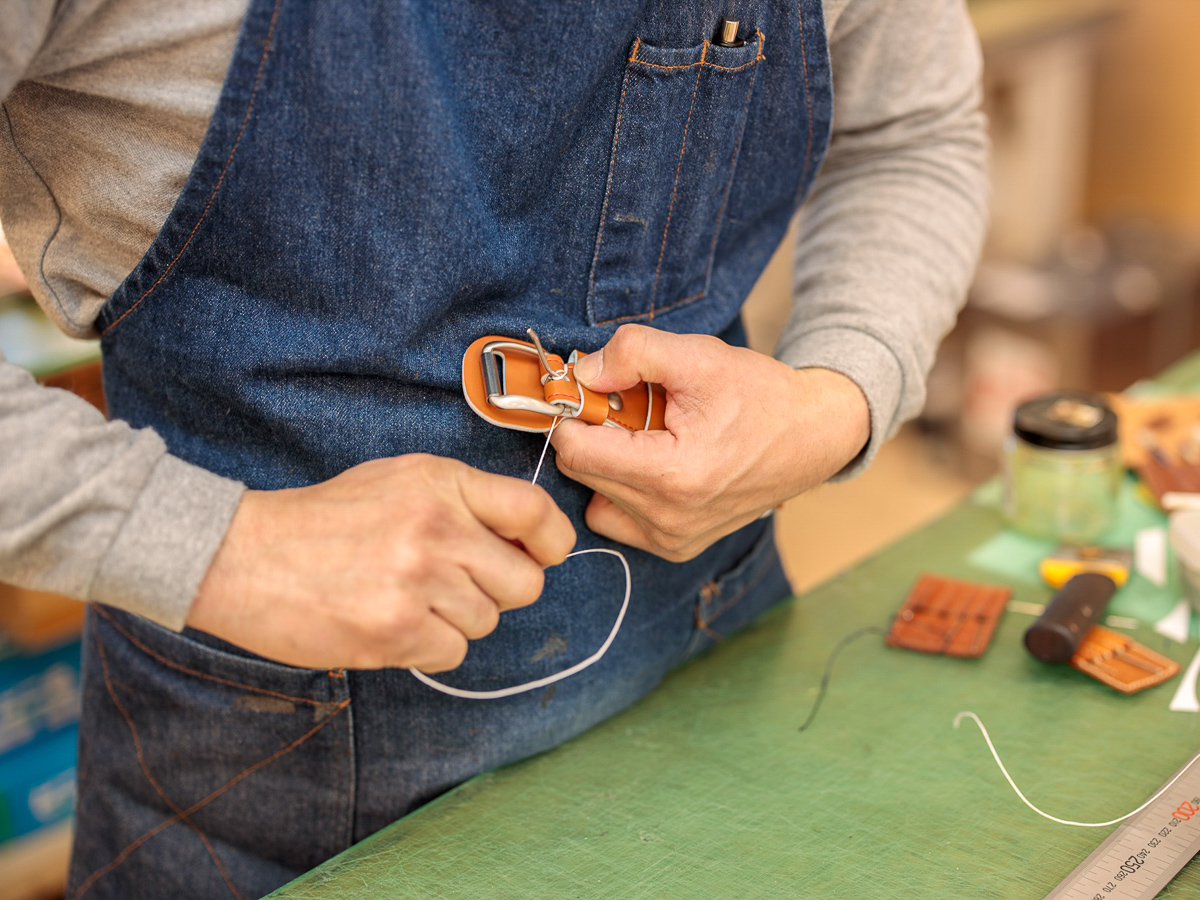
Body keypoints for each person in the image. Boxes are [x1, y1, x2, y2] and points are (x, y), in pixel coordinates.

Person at [0, 0, 987, 896]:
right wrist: (219, 545)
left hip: (721, 684)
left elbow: (912, 132)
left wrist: (837, 400)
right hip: (272, 803)